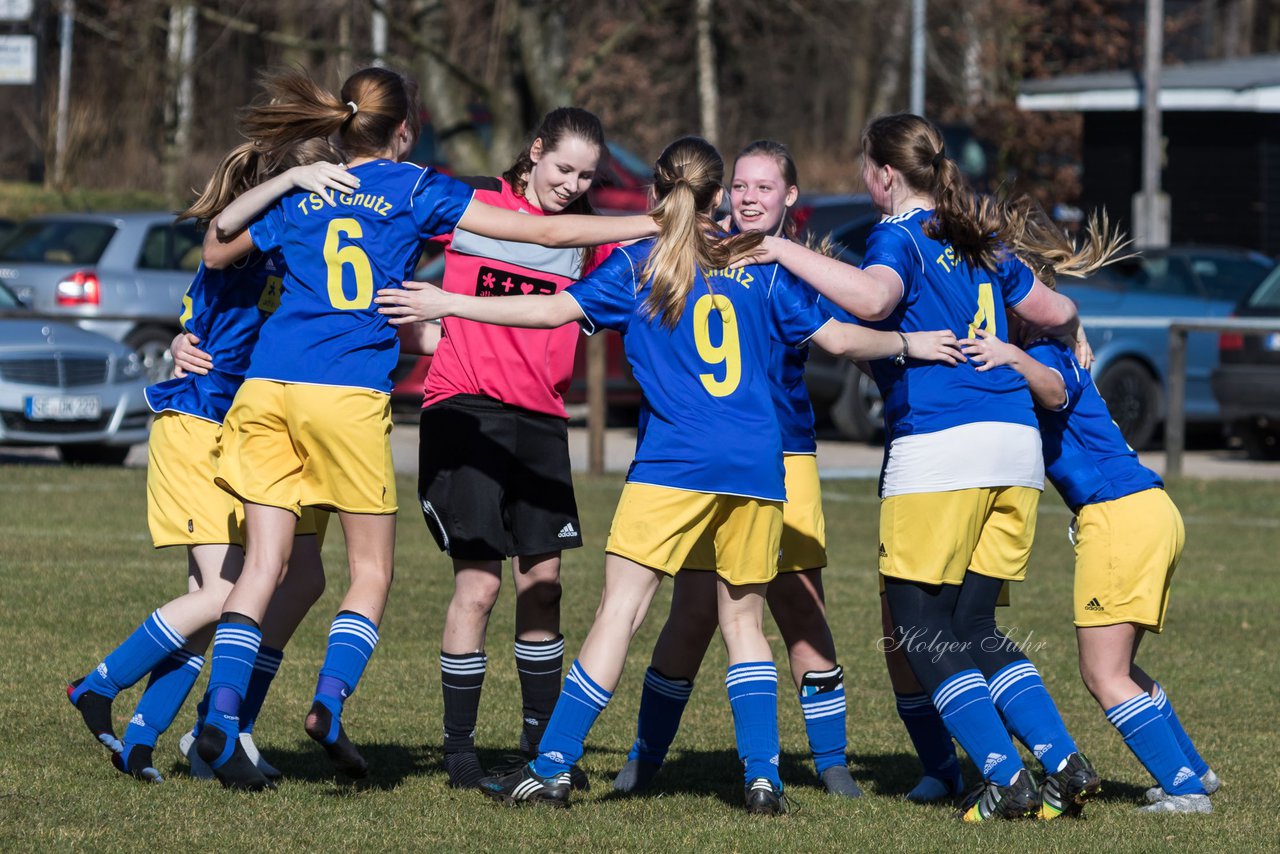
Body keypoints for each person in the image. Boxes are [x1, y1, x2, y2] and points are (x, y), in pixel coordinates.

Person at [376, 135, 963, 813]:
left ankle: (556, 765)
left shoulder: (640, 261)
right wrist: (908, 343)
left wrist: (451, 305)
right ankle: (764, 777)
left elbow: (547, 311)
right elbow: (840, 338)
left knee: (619, 613)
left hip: (673, 463)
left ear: (658, 195)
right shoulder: (759, 260)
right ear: (719, 198)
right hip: (757, 466)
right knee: (744, 624)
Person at [193, 66, 659, 791]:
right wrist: (661, 219)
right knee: (372, 573)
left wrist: (288, 181)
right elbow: (551, 230)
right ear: (405, 129)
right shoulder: (418, 188)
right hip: (347, 394)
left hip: (269, 387)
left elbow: (217, 247)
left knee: (263, 569)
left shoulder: (314, 190)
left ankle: (220, 722)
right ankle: (330, 699)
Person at [746, 113, 1123, 820]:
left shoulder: (899, 235)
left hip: (942, 447)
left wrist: (777, 249)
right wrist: (1072, 330)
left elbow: (875, 299)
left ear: (885, 175)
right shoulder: (979, 238)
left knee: (918, 627)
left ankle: (1004, 775)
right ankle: (1063, 761)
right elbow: (1056, 305)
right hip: (1015, 448)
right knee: (972, 624)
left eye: (866, 168)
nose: (865, 180)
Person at [65, 138, 356, 784]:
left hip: (228, 433)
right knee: (227, 595)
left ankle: (144, 739)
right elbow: (216, 247)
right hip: (193, 426)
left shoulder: (288, 250)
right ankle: (98, 685)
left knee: (217, 597)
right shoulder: (252, 243)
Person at [612, 140, 868, 799]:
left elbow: (847, 332)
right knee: (693, 611)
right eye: (742, 186)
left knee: (799, 605)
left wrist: (909, 348)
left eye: (766, 187)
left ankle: (831, 762)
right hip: (696, 459)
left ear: (790, 199)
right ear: (724, 195)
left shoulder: (791, 267)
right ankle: (645, 758)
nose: (751, 196)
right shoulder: (698, 251)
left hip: (786, 457)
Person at [420, 107, 615, 791]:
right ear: (534, 153)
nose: (572, 183)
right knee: (478, 584)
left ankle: (541, 746)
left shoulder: (591, 238)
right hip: (465, 411)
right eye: (563, 167)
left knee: (545, 584)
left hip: (542, 419)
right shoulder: (474, 206)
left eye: (586, 175)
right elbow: (383, 239)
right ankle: (459, 752)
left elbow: (657, 276)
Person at [957, 319, 1218, 814]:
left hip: (1119, 514)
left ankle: (1184, 792)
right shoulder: (1052, 348)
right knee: (1119, 668)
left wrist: (1010, 353)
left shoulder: (1046, 356)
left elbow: (1054, 393)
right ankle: (1193, 772)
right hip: (1146, 508)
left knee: (1102, 674)